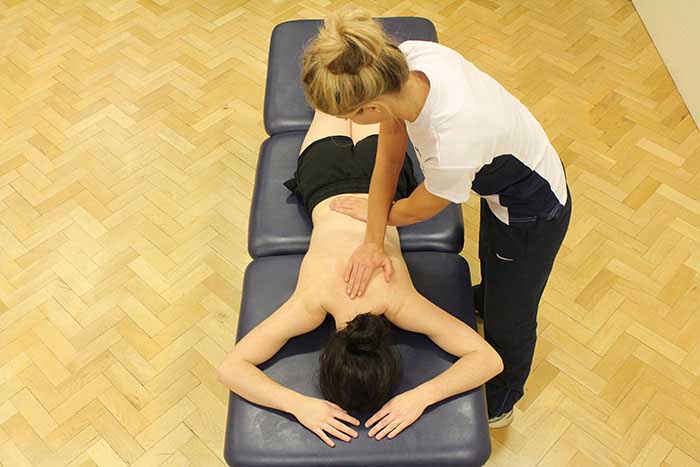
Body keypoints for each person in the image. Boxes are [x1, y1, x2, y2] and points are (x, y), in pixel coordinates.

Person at [300, 6, 572, 427]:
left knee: (512, 317)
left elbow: (417, 209)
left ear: (369, 105)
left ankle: (501, 401)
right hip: (504, 189)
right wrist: (371, 237)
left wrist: (380, 219)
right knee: (496, 267)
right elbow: (389, 153)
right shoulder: (410, 63)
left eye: (351, 116)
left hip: (532, 211)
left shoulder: (453, 139)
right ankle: (488, 296)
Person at [216, 109, 502, 448]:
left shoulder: (397, 302)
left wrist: (420, 396)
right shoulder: (312, 304)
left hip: (379, 178)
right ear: (328, 354)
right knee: (336, 100)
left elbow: (487, 360)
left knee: (359, 97)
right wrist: (299, 404)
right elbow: (232, 368)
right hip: (325, 176)